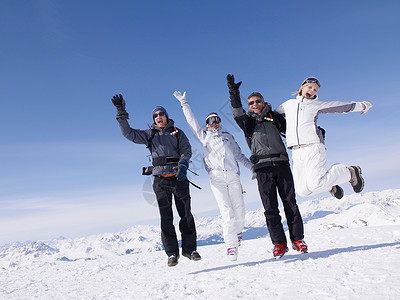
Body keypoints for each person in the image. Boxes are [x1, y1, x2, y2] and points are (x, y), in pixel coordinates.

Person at [111, 94, 201, 267]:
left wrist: (183, 164)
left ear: (166, 116)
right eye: (156, 115)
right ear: (154, 120)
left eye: (161, 114)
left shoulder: (177, 133)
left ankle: (190, 250)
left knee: (186, 215)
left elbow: (187, 150)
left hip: (179, 177)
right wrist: (121, 114)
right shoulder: (149, 135)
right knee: (166, 218)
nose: (159, 117)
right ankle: (172, 254)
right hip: (160, 181)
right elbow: (128, 134)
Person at [226, 74, 306, 259]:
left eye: (257, 101)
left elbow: (294, 129)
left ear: (263, 102)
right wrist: (233, 92)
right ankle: (279, 243)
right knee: (270, 208)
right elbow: (236, 110)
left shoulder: (275, 117)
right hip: (262, 168)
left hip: (282, 164)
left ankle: (298, 239)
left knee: (290, 203)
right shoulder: (247, 123)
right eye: (251, 102)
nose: (254, 104)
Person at [173, 91, 253, 261]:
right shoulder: (204, 138)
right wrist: (184, 103)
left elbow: (240, 156)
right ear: (207, 124)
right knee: (226, 211)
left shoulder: (228, 137)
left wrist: (253, 168)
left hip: (233, 176)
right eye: (210, 120)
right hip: (216, 178)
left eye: (216, 120)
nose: (214, 123)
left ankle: (237, 232)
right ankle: (231, 246)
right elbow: (192, 122)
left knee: (240, 211)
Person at [275, 77, 372, 199]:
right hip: (295, 151)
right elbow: (272, 115)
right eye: (310, 87)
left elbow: (339, 106)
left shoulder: (316, 105)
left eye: (315, 89)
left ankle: (350, 172)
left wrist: (361, 105)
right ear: (302, 88)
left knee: (315, 185)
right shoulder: (288, 104)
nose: (312, 90)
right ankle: (329, 184)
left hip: (313, 146)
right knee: (302, 191)